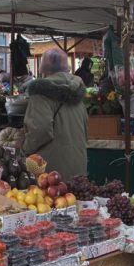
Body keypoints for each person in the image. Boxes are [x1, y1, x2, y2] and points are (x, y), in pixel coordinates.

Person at [22, 48, 87, 181]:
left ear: (43, 70)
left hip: (51, 172)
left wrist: (24, 150)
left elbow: (39, 129)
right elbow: (85, 127)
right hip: (78, 165)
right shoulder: (78, 91)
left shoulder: (40, 93)